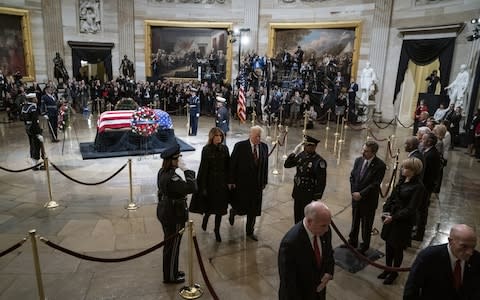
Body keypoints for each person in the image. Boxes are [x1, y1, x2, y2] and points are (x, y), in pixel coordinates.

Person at [378, 158, 425, 285]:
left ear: (414, 171)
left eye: (406, 168)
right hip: (392, 217)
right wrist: (385, 211)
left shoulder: (418, 187)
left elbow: (411, 209)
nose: (402, 169)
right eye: (403, 167)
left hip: (402, 221)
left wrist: (393, 217)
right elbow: (391, 197)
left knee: (397, 248)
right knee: (388, 245)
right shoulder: (402, 180)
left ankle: (394, 272)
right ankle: (388, 269)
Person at [404, 224, 480, 299]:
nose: (470, 252)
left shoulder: (476, 258)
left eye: (472, 247)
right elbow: (411, 290)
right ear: (450, 241)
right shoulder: (429, 257)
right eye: (464, 246)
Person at [156, 144, 197, 284]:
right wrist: (186, 170)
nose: (180, 159)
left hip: (165, 210)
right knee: (172, 246)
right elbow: (192, 187)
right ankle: (170, 277)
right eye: (179, 157)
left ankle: (172, 271)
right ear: (173, 160)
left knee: (170, 245)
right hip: (174, 213)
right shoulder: (172, 178)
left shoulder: (162, 171)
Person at [278, 201, 334, 300]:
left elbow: (329, 254)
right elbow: (288, 284)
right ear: (309, 221)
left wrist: (329, 272)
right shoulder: (290, 244)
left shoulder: (325, 231)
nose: (327, 229)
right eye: (323, 225)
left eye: (328, 224)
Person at [344, 141, 386, 253]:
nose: (363, 152)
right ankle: (352, 240)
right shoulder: (359, 160)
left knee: (366, 224)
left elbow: (375, 184)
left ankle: (364, 245)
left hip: (368, 200)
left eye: (366, 151)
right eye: (363, 149)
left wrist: (361, 194)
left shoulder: (380, 165)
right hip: (356, 198)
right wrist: (354, 192)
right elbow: (352, 177)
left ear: (374, 152)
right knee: (355, 220)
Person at [189, 128, 230, 242]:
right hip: (211, 183)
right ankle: (205, 219)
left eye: (220, 136)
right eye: (216, 136)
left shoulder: (225, 149)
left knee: (220, 209)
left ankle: (217, 230)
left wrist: (230, 181)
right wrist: (203, 187)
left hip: (222, 183)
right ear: (212, 137)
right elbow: (203, 169)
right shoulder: (206, 150)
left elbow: (228, 166)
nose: (219, 138)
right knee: (210, 207)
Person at [228, 125, 269, 241]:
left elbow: (265, 166)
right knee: (241, 208)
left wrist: (264, 181)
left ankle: (250, 232)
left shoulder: (264, 147)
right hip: (243, 184)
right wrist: (231, 180)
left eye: (260, 137)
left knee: (254, 210)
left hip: (257, 185)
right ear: (250, 135)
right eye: (256, 136)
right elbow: (232, 164)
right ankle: (233, 212)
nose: (258, 139)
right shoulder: (240, 146)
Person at [284, 135, 327, 223]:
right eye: (305, 145)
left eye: (307, 145)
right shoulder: (301, 155)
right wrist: (293, 153)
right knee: (297, 216)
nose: (304, 147)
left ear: (313, 146)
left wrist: (317, 195)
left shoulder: (318, 161)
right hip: (298, 191)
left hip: (308, 194)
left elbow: (321, 180)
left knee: (305, 218)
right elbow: (287, 165)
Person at [412, 132, 441, 241]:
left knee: (422, 210)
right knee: (420, 210)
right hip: (425, 186)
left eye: (423, 139)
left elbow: (428, 174)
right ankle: (417, 229)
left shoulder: (431, 155)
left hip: (425, 187)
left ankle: (419, 234)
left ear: (429, 142)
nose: (421, 141)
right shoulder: (428, 152)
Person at [20, 93, 45, 170]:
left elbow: (22, 118)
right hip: (34, 128)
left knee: (32, 145)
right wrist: (38, 132)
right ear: (32, 99)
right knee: (36, 146)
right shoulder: (33, 107)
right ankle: (35, 165)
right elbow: (34, 121)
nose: (37, 99)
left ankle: (35, 164)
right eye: (35, 98)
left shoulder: (25, 107)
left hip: (28, 128)